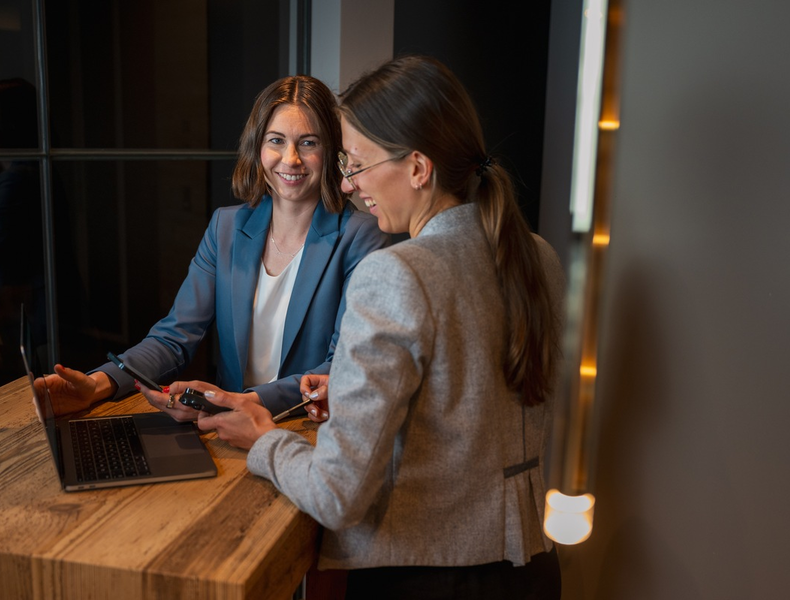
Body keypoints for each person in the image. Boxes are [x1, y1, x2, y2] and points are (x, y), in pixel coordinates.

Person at [170, 55, 565, 599]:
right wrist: (355, 396)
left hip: (426, 576)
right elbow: (469, 409)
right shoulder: (535, 255)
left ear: (419, 168)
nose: (350, 185)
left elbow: (337, 494)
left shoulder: (395, 272)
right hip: (528, 569)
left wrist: (264, 438)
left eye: (356, 163)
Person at [44, 74, 388, 418]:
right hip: (227, 427)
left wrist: (237, 403)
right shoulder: (226, 227)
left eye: (309, 143)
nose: (291, 159)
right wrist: (99, 384)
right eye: (276, 140)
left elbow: (341, 365)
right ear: (257, 147)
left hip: (307, 430)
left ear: (331, 150)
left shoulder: (361, 236)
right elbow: (174, 337)